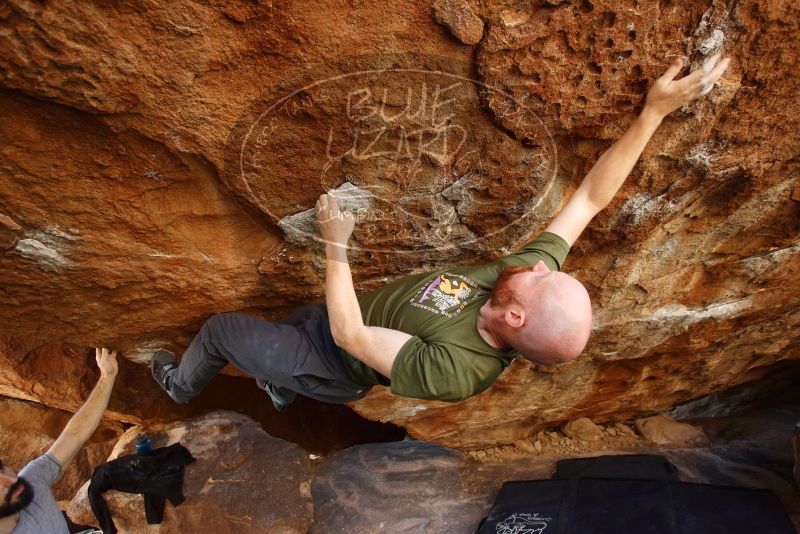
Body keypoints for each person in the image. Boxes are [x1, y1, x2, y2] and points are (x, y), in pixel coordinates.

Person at [151, 55, 730, 407]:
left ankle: (180, 387)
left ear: (515, 318)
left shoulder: (458, 373)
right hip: (337, 321)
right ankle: (277, 385)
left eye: (540, 280)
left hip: (331, 358)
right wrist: (653, 112)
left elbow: (351, 335)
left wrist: (335, 241)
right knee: (286, 326)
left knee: (226, 330)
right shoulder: (520, 284)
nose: (538, 264)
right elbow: (590, 198)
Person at [0, 348, 118, 534]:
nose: (9, 480)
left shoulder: (30, 481)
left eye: (2, 468)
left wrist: (106, 376)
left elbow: (75, 434)